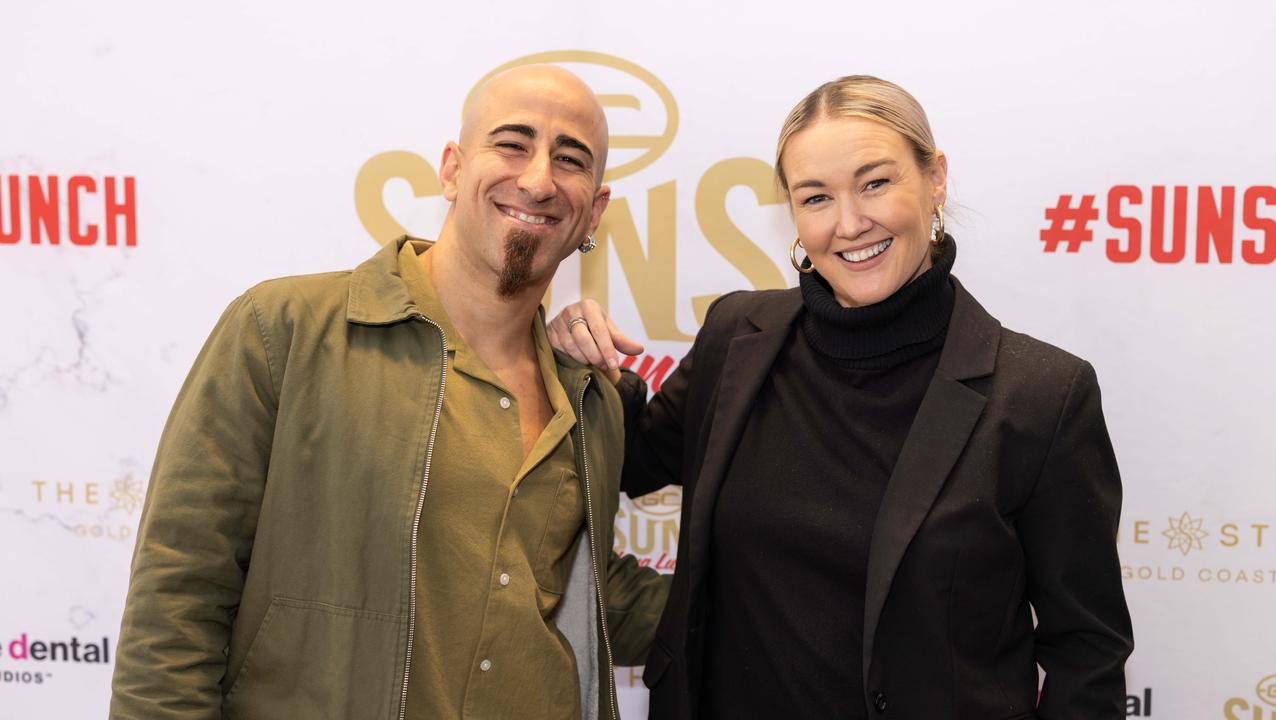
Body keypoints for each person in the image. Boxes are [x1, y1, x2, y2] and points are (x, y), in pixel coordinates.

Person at [550, 75, 1133, 719]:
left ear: (935, 179)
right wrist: (576, 364)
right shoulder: (736, 338)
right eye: (816, 196)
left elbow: (1087, 651)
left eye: (875, 182)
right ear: (794, 214)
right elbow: (630, 461)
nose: (850, 223)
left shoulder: (1041, 395)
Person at [110, 64, 669, 720]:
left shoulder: (587, 399)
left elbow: (584, 593)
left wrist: (792, 591)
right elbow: (178, 599)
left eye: (569, 159)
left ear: (593, 212)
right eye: (513, 143)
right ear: (453, 170)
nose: (540, 179)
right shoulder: (284, 330)